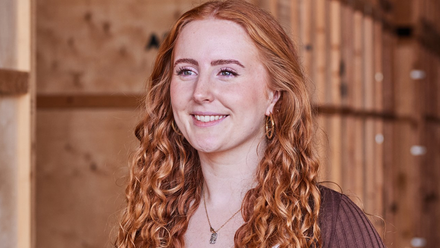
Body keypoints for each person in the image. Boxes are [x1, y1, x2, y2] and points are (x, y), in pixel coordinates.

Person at [115, 0, 385, 247]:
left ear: (273, 95)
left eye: (227, 72)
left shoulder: (329, 222)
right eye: (186, 70)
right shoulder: (152, 218)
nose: (200, 92)